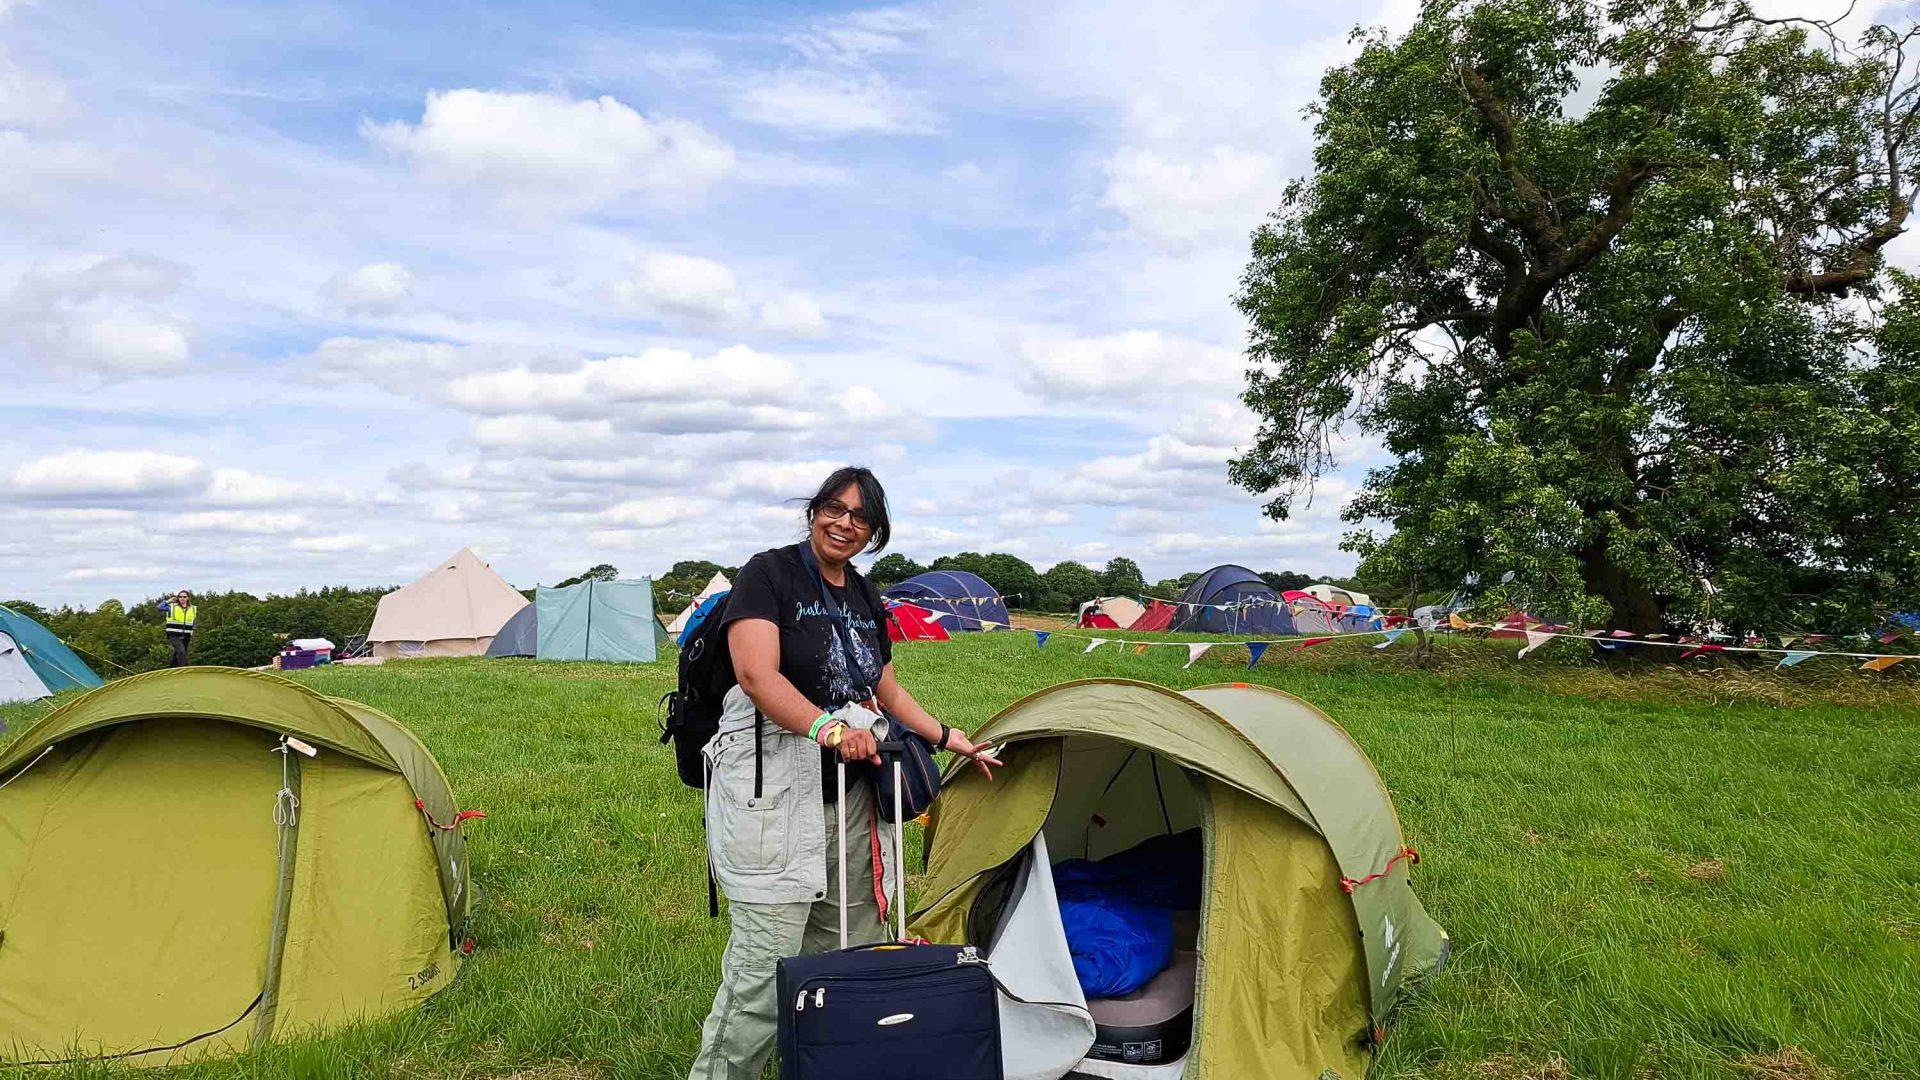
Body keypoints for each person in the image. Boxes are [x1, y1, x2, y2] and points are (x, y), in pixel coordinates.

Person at [688, 466, 1001, 1080]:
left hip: (852, 800)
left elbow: (883, 682)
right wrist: (827, 729)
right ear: (813, 511)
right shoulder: (768, 573)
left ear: (874, 531)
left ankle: (826, 1064)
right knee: (763, 970)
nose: (844, 523)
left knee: (848, 951)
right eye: (834, 508)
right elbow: (757, 673)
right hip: (774, 796)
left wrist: (947, 736)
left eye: (861, 517)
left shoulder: (862, 594)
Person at [158, 590, 196, 667]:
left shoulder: (192, 609)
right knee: (181, 652)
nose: (182, 598)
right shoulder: (171, 607)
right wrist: (168, 601)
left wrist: (193, 630)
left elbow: (193, 620)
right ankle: (183, 669)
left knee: (179, 652)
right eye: (180, 597)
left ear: (187, 598)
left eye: (184, 597)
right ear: (178, 598)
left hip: (186, 635)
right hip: (173, 634)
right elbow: (159, 607)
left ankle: (171, 667)